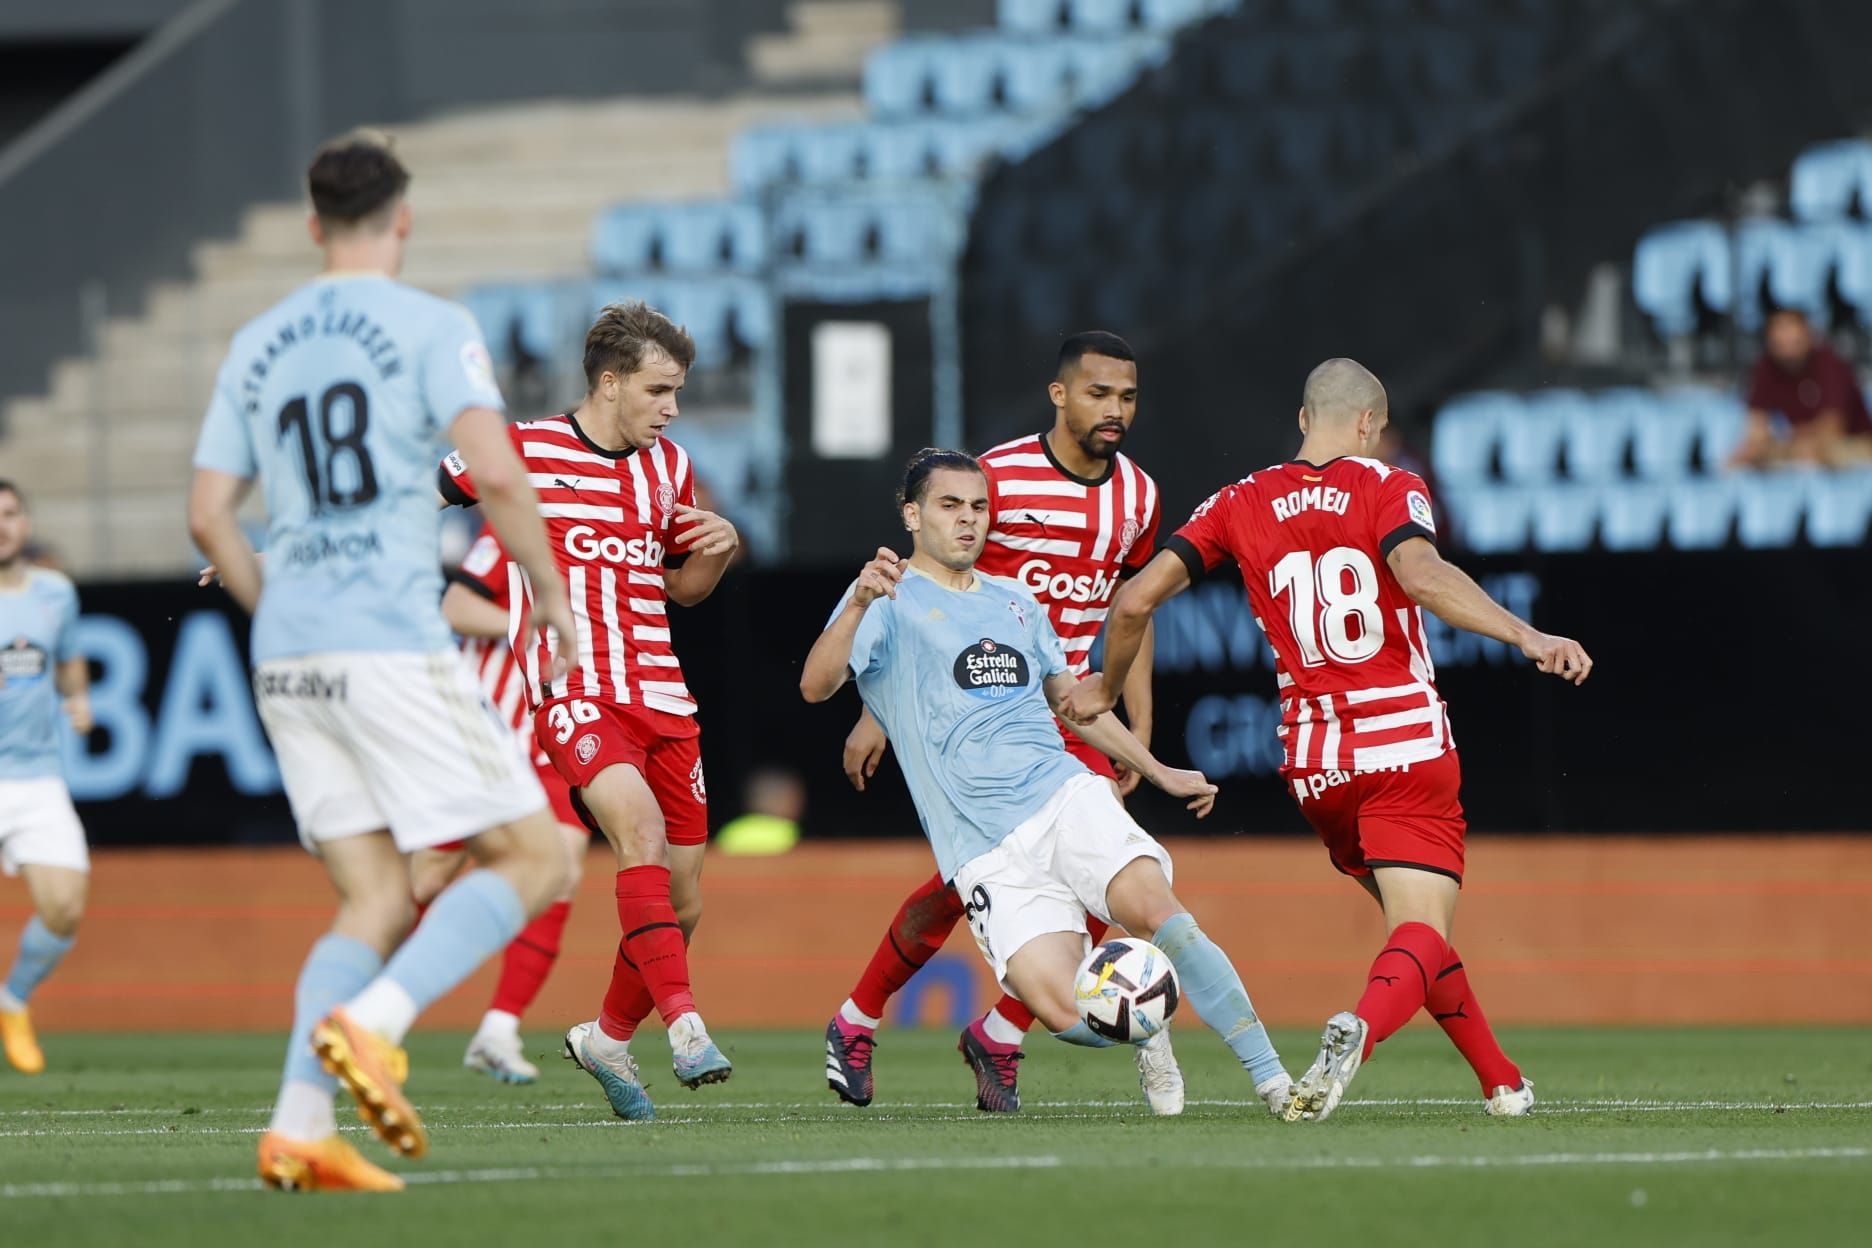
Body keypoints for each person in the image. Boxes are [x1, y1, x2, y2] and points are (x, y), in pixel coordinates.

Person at [188, 130, 576, 1192]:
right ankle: (374, 1025)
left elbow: (209, 515)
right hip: (388, 643)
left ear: (313, 225)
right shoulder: (431, 324)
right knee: (541, 860)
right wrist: (546, 594)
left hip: (291, 661)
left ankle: (297, 1130)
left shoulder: (258, 342)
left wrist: (279, 605)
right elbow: (496, 471)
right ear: (401, 219)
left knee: (372, 898)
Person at [1063, 358, 1592, 1122]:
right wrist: (1524, 633)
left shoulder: (1241, 498)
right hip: (1402, 746)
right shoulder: (1390, 486)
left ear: (1306, 420)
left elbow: (1135, 599)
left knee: (1419, 938)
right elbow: (1419, 572)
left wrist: (1107, 690)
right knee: (1420, 930)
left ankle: (1502, 1082)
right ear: (1371, 426)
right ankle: (1361, 1032)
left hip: (1315, 765)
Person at [802, 450, 1296, 1119]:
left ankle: (1276, 1083)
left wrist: (1158, 771)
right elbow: (815, 685)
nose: (968, 521)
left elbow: (1072, 703)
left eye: (978, 507)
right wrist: (858, 604)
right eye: (950, 506)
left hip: (1064, 796)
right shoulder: (884, 599)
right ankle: (1139, 1023)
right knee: (1069, 1014)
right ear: (912, 515)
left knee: (1159, 910)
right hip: (982, 852)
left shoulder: (1016, 603)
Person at [826, 332, 1180, 1116]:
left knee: (1105, 886)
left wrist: (1135, 725)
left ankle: (1001, 1032)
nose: (1114, 410)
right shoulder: (998, 477)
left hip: (1068, 709)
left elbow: (1136, 611)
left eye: (1126, 397)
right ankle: (871, 1019)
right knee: (963, 885)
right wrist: (877, 709)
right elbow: (932, 599)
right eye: (1098, 394)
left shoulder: (1140, 496)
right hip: (980, 708)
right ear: (1061, 395)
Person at [437, 300, 741, 1122]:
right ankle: (684, 1026)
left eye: (676, 391)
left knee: (683, 904)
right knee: (635, 832)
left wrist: (716, 553)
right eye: (660, 390)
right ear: (609, 384)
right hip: (576, 692)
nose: (672, 408)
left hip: (665, 699)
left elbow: (679, 590)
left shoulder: (667, 469)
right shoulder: (524, 449)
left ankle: (607, 1038)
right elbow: (408, 496)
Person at [402, 528, 594, 1085]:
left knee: (563, 868)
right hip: (485, 734)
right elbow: (457, 606)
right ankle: (364, 1011)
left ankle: (499, 1029)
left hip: (555, 734)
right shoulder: (513, 528)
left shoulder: (611, 527)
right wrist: (527, 624)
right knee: (427, 880)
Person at [0, 480, 92, 1075]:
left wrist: (78, 696)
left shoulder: (56, 593)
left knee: (65, 906)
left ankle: (12, 1003)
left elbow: (68, 657)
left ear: (26, 523)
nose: (1, 525)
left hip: (35, 775)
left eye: (9, 513)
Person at [1729, 308, 1872, 467]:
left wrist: (1797, 438)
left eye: (1794, 341)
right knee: (1752, 457)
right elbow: (1757, 424)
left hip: (1850, 442)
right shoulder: (1766, 368)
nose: (1788, 350)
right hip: (1799, 444)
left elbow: (1833, 427)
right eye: (1780, 342)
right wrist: (1750, 450)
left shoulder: (1830, 364)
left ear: (1808, 335)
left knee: (1824, 453)